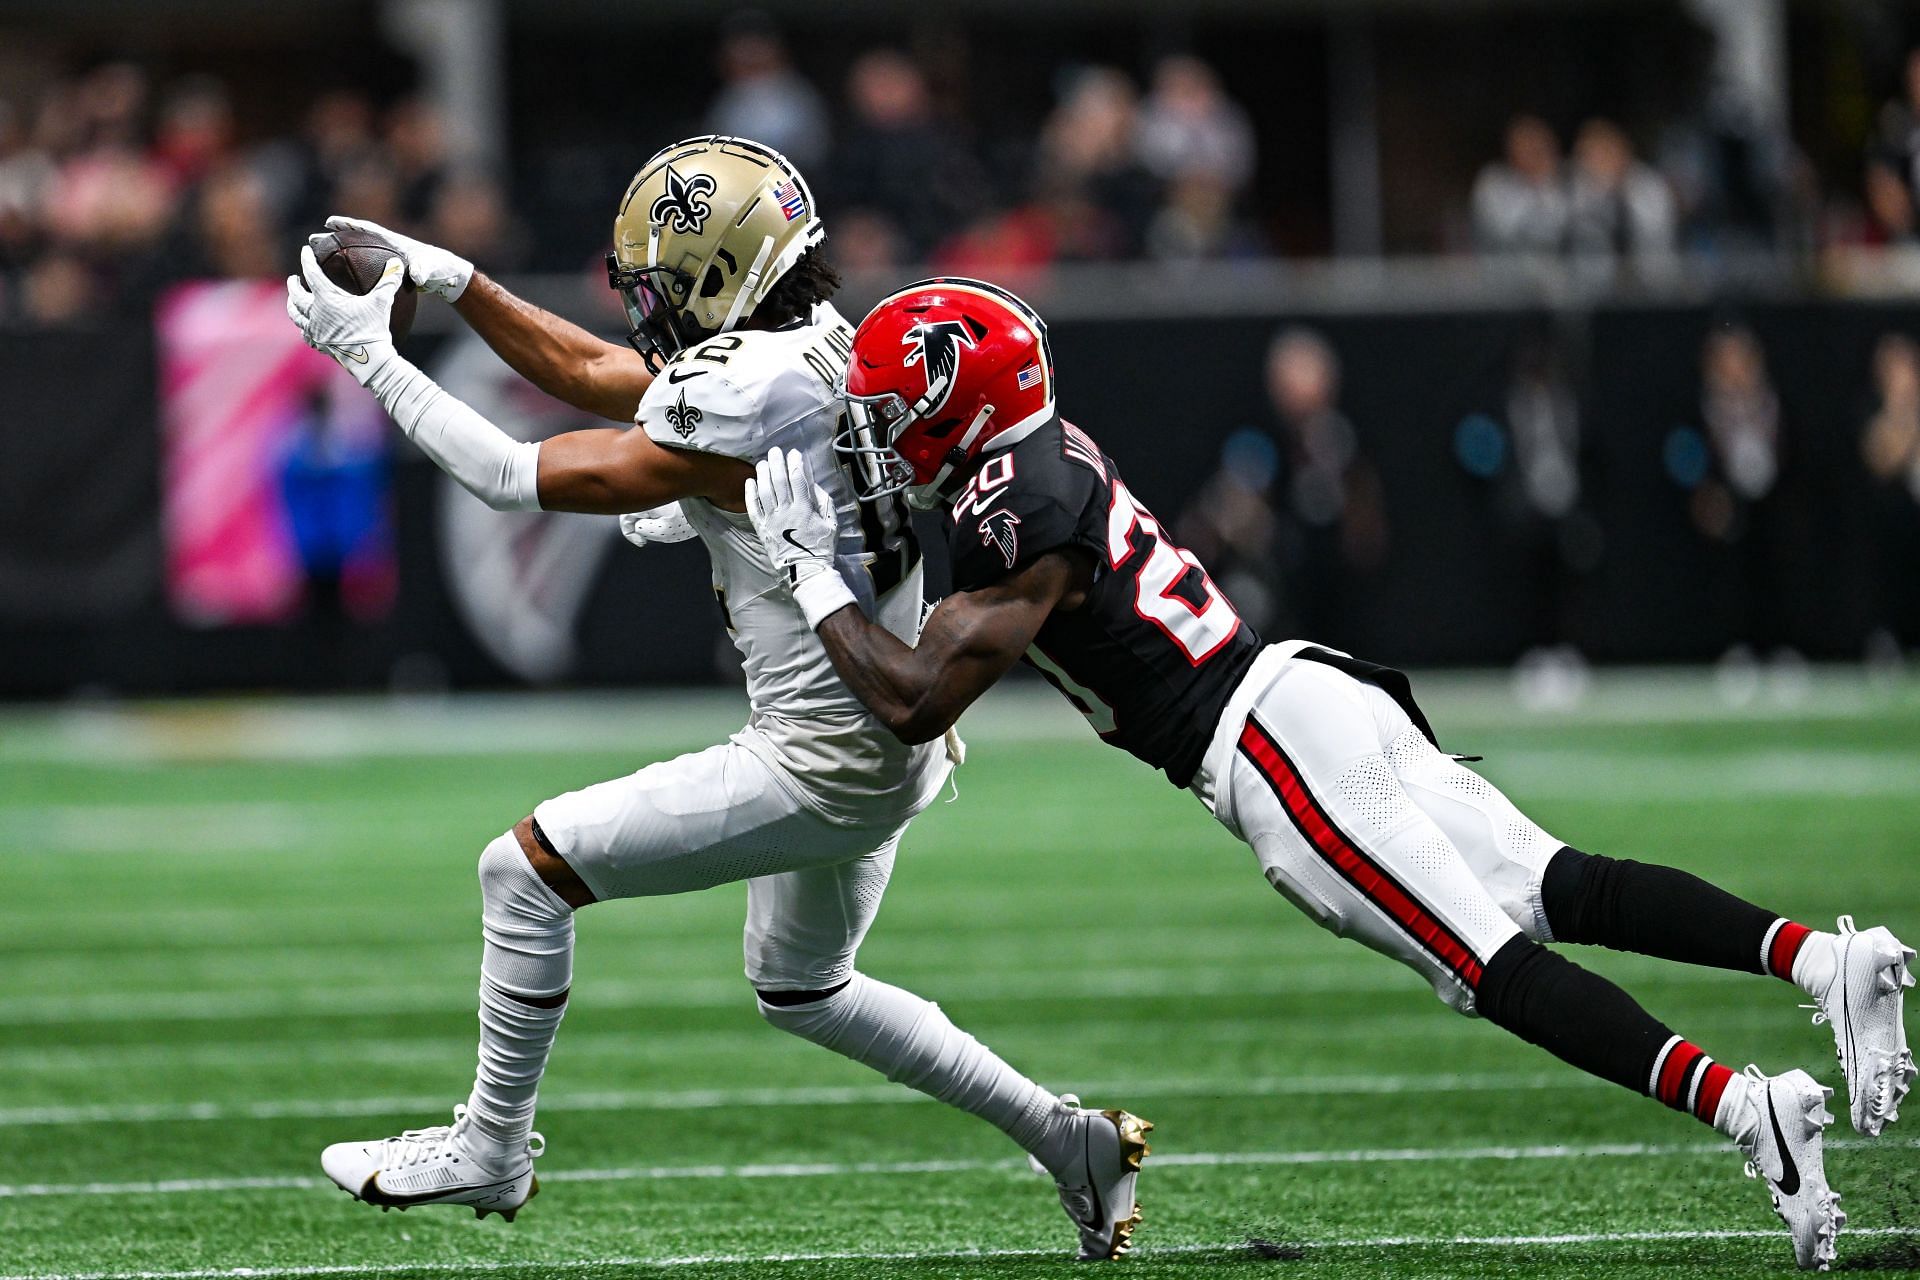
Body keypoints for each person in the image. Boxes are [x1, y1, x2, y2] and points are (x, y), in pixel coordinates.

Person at [741, 276, 1918, 1273]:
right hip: (1307, 689)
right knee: (1560, 883)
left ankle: (1744, 1105)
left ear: (962, 402)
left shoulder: (1016, 509)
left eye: (896, 411)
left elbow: (912, 700)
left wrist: (811, 580)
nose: (878, 434)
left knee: (1490, 963)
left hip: (1265, 749)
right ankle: (1825, 957)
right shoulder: (1042, 455)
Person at [282, 137, 1149, 1260]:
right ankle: (1065, 1137)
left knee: (525, 869)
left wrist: (372, 359)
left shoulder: (742, 386)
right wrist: (456, 282)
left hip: (823, 751)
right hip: (884, 733)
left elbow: (510, 475)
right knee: (803, 984)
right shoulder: (822, 343)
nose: (645, 304)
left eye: (656, 281)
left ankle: (491, 1143)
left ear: (716, 271)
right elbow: (606, 376)